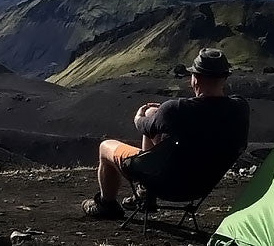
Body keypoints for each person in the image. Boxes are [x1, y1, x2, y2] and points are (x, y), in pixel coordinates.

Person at [83, 48, 250, 219]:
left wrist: (140, 114)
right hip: (200, 186)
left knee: (106, 147)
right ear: (224, 79)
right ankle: (144, 194)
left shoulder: (177, 109)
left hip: (166, 185)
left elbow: (143, 126)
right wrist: (158, 113)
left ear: (195, 79)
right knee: (153, 115)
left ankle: (106, 204)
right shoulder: (240, 108)